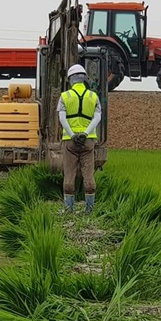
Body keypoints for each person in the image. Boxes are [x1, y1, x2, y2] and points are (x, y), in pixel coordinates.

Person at [57, 63, 102, 214]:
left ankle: (69, 210)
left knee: (69, 175)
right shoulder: (93, 96)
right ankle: (89, 210)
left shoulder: (65, 96)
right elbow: (97, 117)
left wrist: (73, 135)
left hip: (70, 142)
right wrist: (85, 133)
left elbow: (62, 119)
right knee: (88, 176)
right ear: (84, 78)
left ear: (70, 79)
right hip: (88, 141)